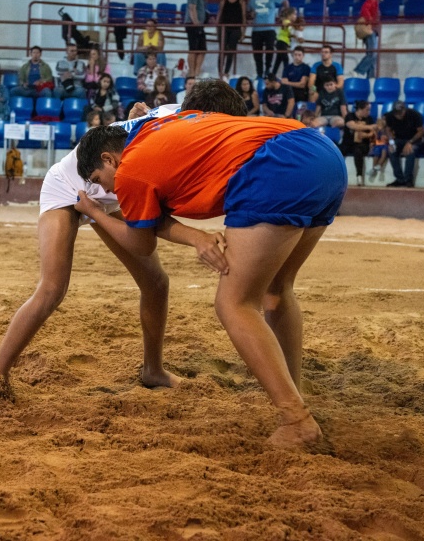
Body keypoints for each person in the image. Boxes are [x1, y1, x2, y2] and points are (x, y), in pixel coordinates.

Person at [73, 98, 348, 448]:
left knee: (233, 303)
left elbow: (140, 244)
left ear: (110, 159)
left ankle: (296, 419)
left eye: (100, 179)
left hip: (275, 168)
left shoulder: (130, 171)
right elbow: (153, 218)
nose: (108, 189)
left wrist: (95, 211)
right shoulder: (160, 127)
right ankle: (292, 392)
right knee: (277, 288)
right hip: (321, 152)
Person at [0, 81, 245, 395]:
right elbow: (147, 231)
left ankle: (153, 371)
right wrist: (196, 237)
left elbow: (146, 218)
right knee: (52, 288)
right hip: (71, 186)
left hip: (116, 185)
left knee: (155, 283)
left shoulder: (175, 121)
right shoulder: (174, 128)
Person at [247, 0, 286, 80]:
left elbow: (285, 1)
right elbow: (248, 12)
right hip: (256, 29)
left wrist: (283, 14)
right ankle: (259, 73)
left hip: (269, 28)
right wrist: (251, 15)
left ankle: (267, 70)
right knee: (257, 53)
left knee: (270, 50)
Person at [384, 101, 424, 187]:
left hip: (414, 138)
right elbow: (388, 130)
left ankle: (408, 179)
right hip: (399, 139)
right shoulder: (389, 116)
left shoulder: (414, 114)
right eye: (396, 114)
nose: (398, 115)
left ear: (405, 110)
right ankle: (400, 179)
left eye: (400, 113)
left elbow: (421, 131)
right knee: (392, 151)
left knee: (410, 151)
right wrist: (391, 142)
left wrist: (410, 142)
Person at [353, 0, 385, 79]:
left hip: (372, 31)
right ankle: (358, 70)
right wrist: (370, 22)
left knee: (372, 55)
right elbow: (365, 10)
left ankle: (371, 77)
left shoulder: (374, 2)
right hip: (370, 30)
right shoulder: (372, 1)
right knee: (372, 53)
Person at [341, 100, 376, 185]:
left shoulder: (369, 119)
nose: (369, 112)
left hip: (362, 144)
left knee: (358, 151)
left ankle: (359, 176)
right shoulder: (350, 116)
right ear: (360, 109)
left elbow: (373, 132)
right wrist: (369, 127)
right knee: (336, 151)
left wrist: (365, 135)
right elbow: (352, 125)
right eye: (367, 109)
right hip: (348, 143)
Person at [184, 0, 212, 78]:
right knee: (193, 48)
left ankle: (196, 72)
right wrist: (196, 23)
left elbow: (201, 9)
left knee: (202, 49)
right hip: (192, 24)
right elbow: (192, 8)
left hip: (199, 25)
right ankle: (192, 72)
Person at [217, 0, 244, 79]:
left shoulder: (241, 2)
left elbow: (243, 18)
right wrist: (217, 29)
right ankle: (220, 72)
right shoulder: (223, 2)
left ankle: (226, 72)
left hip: (235, 29)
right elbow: (219, 16)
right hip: (224, 29)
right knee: (222, 51)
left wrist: (243, 33)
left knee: (231, 51)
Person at [272, 6, 301, 78]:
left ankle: (272, 75)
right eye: (294, 14)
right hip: (281, 42)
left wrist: (296, 37)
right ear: (289, 15)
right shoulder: (286, 21)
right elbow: (288, 26)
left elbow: (290, 33)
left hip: (282, 43)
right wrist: (296, 30)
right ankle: (286, 76)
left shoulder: (288, 23)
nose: (295, 16)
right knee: (285, 59)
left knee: (278, 60)